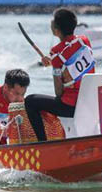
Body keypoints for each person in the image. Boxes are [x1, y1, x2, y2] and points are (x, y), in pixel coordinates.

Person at [27, 8, 95, 142]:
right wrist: (55, 63)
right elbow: (70, 54)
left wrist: (55, 65)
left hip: (71, 107)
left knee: (30, 101)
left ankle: (43, 143)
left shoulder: (56, 54)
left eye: (53, 21)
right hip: (90, 101)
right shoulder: (84, 40)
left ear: (56, 30)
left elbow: (58, 92)